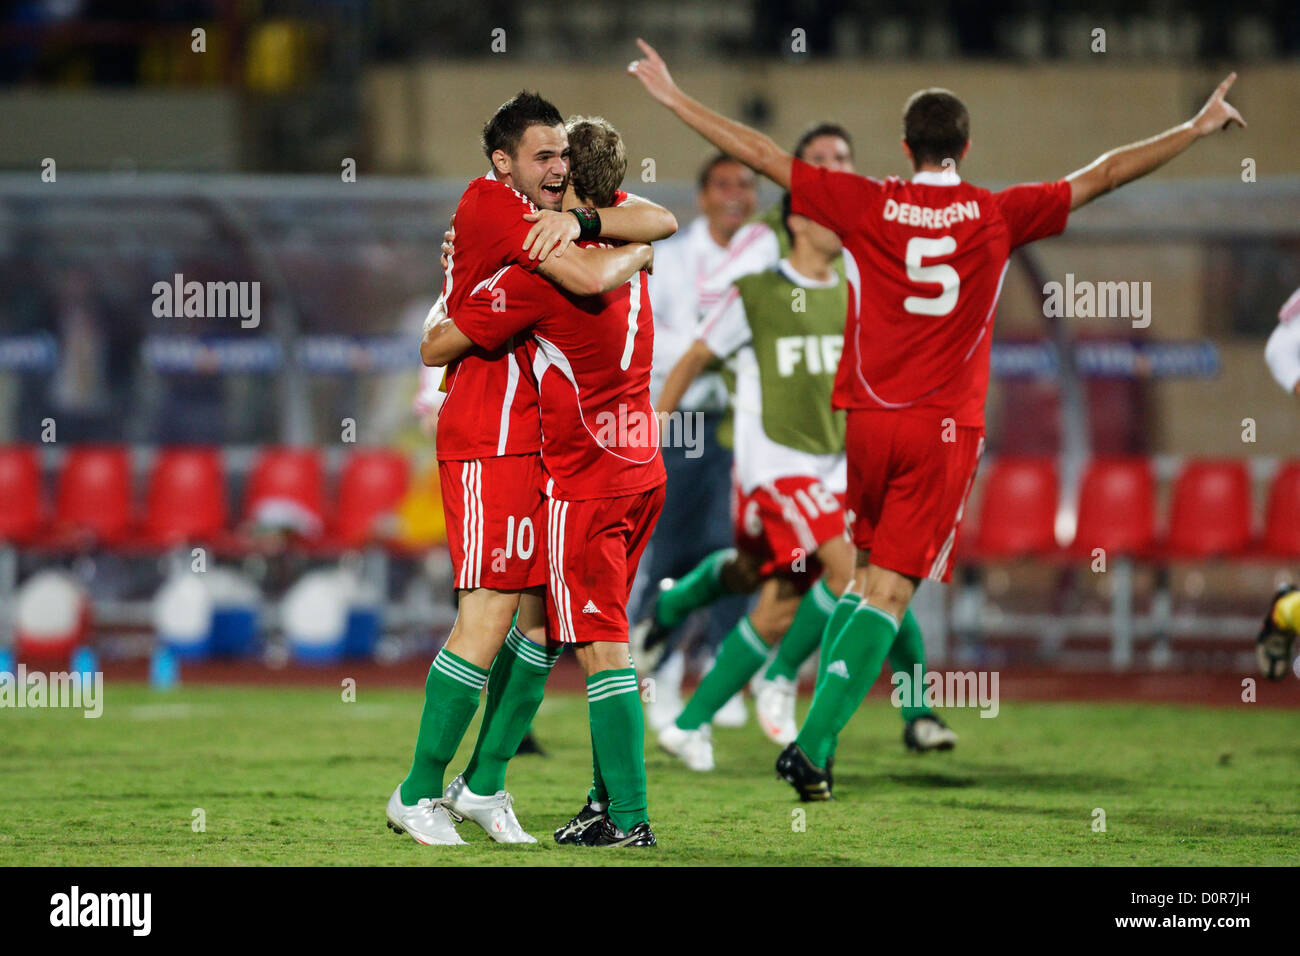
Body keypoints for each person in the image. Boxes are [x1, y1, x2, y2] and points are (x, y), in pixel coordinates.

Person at [628, 39, 1246, 799]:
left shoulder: (866, 203)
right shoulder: (994, 213)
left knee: (856, 585)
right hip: (940, 430)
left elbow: (758, 153)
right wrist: (1193, 127)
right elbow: (1107, 173)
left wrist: (674, 97)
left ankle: (785, 706)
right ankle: (813, 747)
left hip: (864, 428)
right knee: (886, 593)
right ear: (966, 146)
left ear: (905, 146)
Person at [388, 90, 673, 845]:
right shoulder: (508, 220)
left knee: (543, 628)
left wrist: (595, 232)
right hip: (496, 440)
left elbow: (652, 222)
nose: (554, 171)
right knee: (490, 618)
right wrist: (629, 249)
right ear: (503, 162)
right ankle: (417, 791)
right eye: (542, 156)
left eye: (562, 160)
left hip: (562, 460)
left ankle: (483, 783)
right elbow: (435, 345)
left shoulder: (561, 239)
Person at [651, 121, 956, 757]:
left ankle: (688, 710)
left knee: (775, 598)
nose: (838, 223)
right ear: (796, 221)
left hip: (839, 466)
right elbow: (693, 358)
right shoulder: (759, 291)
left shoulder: (859, 289)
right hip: (774, 468)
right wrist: (651, 429)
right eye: (824, 212)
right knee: (858, 575)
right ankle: (821, 688)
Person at [632, 153, 758, 732]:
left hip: (748, 422)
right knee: (678, 548)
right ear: (704, 195)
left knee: (743, 545)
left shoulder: (767, 257)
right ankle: (657, 665)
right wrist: (718, 343)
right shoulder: (674, 260)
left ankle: (721, 668)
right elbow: (657, 341)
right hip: (681, 420)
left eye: (747, 186)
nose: (737, 195)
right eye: (725, 185)